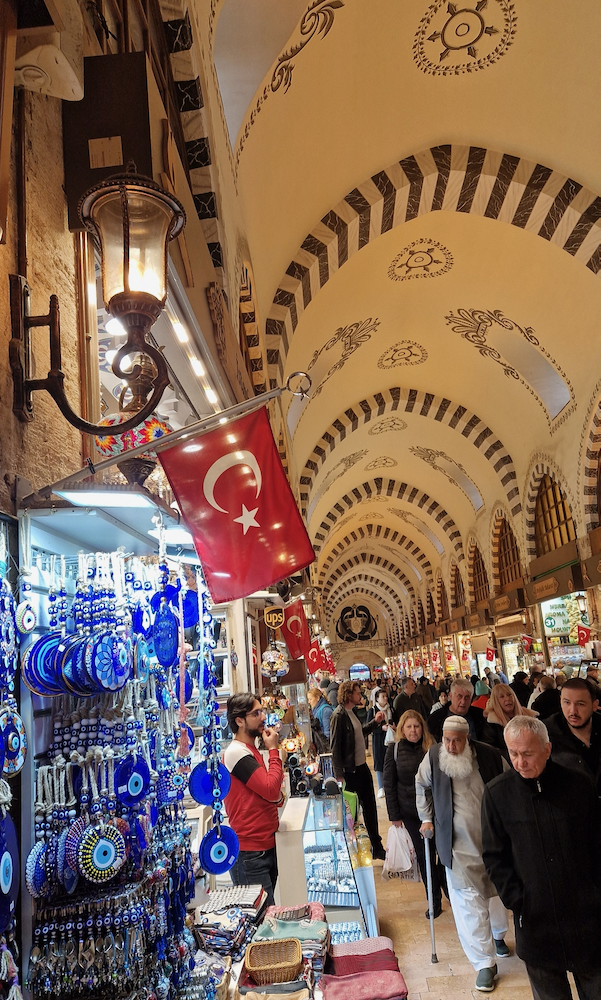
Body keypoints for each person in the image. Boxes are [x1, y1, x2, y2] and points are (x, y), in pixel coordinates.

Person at [482, 715, 601, 1000]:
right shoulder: (497, 794)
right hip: (536, 921)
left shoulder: (579, 785)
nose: (520, 762)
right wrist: (519, 900)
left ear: (547, 750)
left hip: (586, 917)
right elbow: (494, 855)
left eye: (527, 754)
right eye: (513, 754)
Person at [416, 715, 510, 993]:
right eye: (447, 740)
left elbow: (508, 785)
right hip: (455, 842)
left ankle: (499, 934)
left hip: (492, 840)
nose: (452, 746)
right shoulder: (434, 757)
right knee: (467, 901)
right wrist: (426, 818)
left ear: (467, 738)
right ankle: (483, 963)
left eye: (457, 740)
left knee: (495, 893)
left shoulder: (491, 756)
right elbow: (421, 785)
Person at [383, 709, 446, 918]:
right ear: (402, 729)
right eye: (409, 726)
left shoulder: (433, 748)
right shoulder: (394, 750)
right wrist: (394, 816)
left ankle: (444, 886)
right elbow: (389, 784)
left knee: (442, 854)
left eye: (417, 726)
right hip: (410, 813)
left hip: (435, 810)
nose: (413, 730)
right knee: (424, 856)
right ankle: (434, 901)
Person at [223, 692, 285, 906]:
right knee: (262, 923)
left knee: (268, 914)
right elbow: (270, 790)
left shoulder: (249, 750)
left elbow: (273, 794)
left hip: (263, 846)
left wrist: (275, 795)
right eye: (256, 713)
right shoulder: (236, 752)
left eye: (262, 711)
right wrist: (274, 750)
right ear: (239, 720)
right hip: (250, 851)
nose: (263, 717)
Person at [330, 680, 387, 859]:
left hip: (361, 768)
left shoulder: (351, 712)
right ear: (348, 695)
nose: (360, 696)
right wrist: (339, 775)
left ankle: (376, 847)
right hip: (350, 772)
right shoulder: (338, 715)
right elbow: (335, 747)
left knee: (370, 807)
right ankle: (354, 851)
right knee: (353, 813)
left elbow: (358, 733)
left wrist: (375, 722)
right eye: (357, 693)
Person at [545, 677, 601, 791]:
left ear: (594, 705)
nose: (572, 711)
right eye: (566, 702)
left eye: (580, 704)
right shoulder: (546, 735)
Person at [481, 684, 537, 760]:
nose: (507, 698)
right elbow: (491, 749)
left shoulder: (530, 717)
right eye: (502, 696)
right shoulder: (491, 723)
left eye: (509, 694)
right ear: (495, 701)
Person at [428, 677, 485, 742]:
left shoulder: (480, 717)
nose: (463, 701)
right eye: (459, 696)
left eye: (467, 697)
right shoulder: (435, 720)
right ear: (450, 696)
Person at [367, 688, 394, 797]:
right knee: (379, 761)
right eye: (382, 696)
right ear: (377, 699)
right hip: (378, 739)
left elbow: (395, 720)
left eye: (386, 696)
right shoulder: (373, 710)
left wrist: (392, 726)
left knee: (390, 760)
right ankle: (381, 787)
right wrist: (380, 728)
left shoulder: (391, 710)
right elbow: (369, 727)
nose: (385, 698)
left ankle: (390, 784)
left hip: (390, 738)